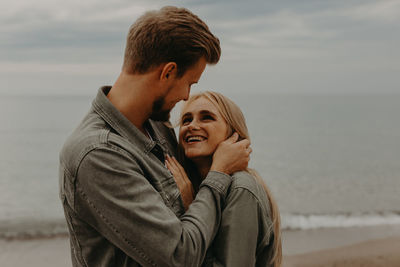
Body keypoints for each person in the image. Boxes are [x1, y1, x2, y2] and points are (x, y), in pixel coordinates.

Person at [59, 6, 251, 267]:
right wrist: (219, 174)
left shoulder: (158, 128)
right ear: (168, 72)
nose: (186, 96)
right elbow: (179, 256)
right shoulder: (97, 155)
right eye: (190, 83)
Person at [166, 91, 282, 267]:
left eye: (206, 117)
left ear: (233, 134)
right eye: (186, 120)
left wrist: (190, 208)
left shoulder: (241, 188)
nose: (192, 126)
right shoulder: (192, 184)